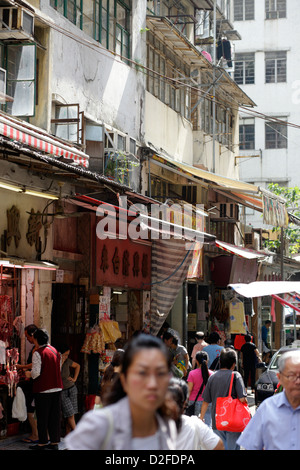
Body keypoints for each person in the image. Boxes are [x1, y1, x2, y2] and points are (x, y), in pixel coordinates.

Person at [64, 334, 177, 450]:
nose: (152, 383)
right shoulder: (99, 424)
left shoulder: (166, 425)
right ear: (124, 379)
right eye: (142, 373)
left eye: (160, 373)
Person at [237, 350, 300, 450]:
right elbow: (251, 445)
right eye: (291, 376)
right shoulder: (267, 408)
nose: (298, 381)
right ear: (280, 378)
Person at [199, 348, 247, 450]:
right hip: (233, 420)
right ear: (234, 364)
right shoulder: (235, 375)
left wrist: (201, 417)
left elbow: (206, 401)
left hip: (217, 420)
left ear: (220, 362)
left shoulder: (212, 377)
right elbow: (242, 399)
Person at [25, 328, 63, 450]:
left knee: (42, 416)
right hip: (57, 387)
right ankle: (54, 442)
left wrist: (28, 374)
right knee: (54, 416)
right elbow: (58, 368)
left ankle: (42, 442)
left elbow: (36, 373)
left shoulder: (38, 353)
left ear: (37, 339)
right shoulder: (55, 350)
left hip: (43, 389)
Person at [166, 378, 224, 450]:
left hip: (194, 402)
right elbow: (219, 446)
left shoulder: (151, 425)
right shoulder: (194, 424)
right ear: (184, 402)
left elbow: (190, 389)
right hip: (204, 402)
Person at [16, 324, 39, 443]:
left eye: (27, 337)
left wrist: (22, 366)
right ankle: (38, 434)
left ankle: (35, 435)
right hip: (36, 383)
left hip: (35, 383)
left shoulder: (37, 348)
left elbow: (34, 364)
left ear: (32, 335)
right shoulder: (40, 348)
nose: (27, 339)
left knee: (31, 409)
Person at [59, 344, 81, 435]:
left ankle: (68, 434)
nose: (66, 357)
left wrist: (74, 379)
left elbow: (78, 366)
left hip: (71, 388)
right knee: (69, 413)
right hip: (62, 391)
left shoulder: (68, 361)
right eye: (65, 355)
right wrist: (60, 362)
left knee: (72, 413)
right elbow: (56, 374)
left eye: (67, 355)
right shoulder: (55, 362)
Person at [187, 351, 213, 426]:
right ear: (207, 361)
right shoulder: (212, 374)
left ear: (197, 362)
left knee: (195, 426)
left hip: (194, 402)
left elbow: (189, 390)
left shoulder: (192, 373)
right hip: (208, 402)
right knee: (207, 425)